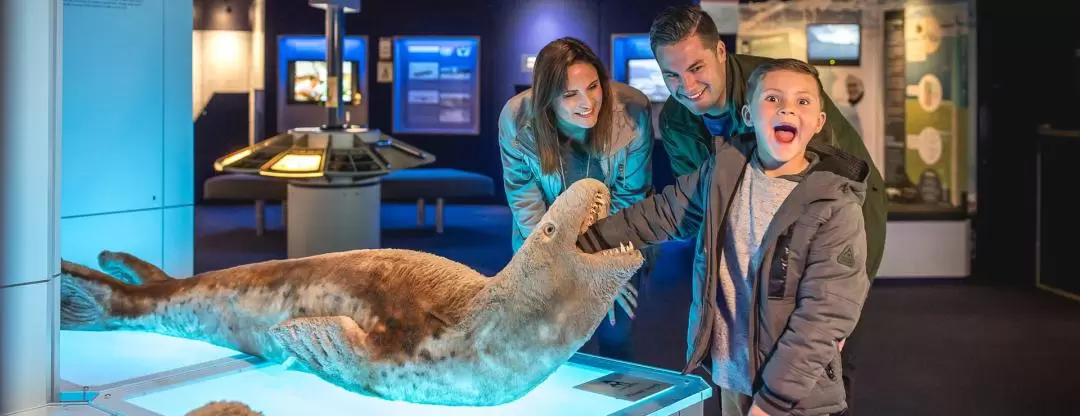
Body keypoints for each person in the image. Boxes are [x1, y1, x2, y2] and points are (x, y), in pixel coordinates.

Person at [577, 58, 870, 416]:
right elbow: (662, 213)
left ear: (819, 122)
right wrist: (588, 241)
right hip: (732, 377)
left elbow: (823, 315)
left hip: (796, 396)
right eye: (773, 99)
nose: (788, 109)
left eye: (803, 101)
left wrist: (774, 400)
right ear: (748, 115)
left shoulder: (836, 205)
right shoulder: (723, 170)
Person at [646, 6, 887, 413]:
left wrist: (848, 301)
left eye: (696, 68)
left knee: (815, 377)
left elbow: (848, 200)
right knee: (738, 380)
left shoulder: (781, 88)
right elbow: (699, 206)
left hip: (823, 252)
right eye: (671, 75)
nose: (686, 86)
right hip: (744, 271)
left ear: (721, 52)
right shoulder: (675, 120)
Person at [498, 37, 654, 361]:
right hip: (546, 248)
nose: (588, 103)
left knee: (615, 330)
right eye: (570, 94)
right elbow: (529, 211)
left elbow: (630, 200)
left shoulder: (633, 114)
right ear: (548, 98)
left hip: (615, 245)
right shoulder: (516, 121)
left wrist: (604, 272)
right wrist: (573, 269)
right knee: (548, 340)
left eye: (594, 87)